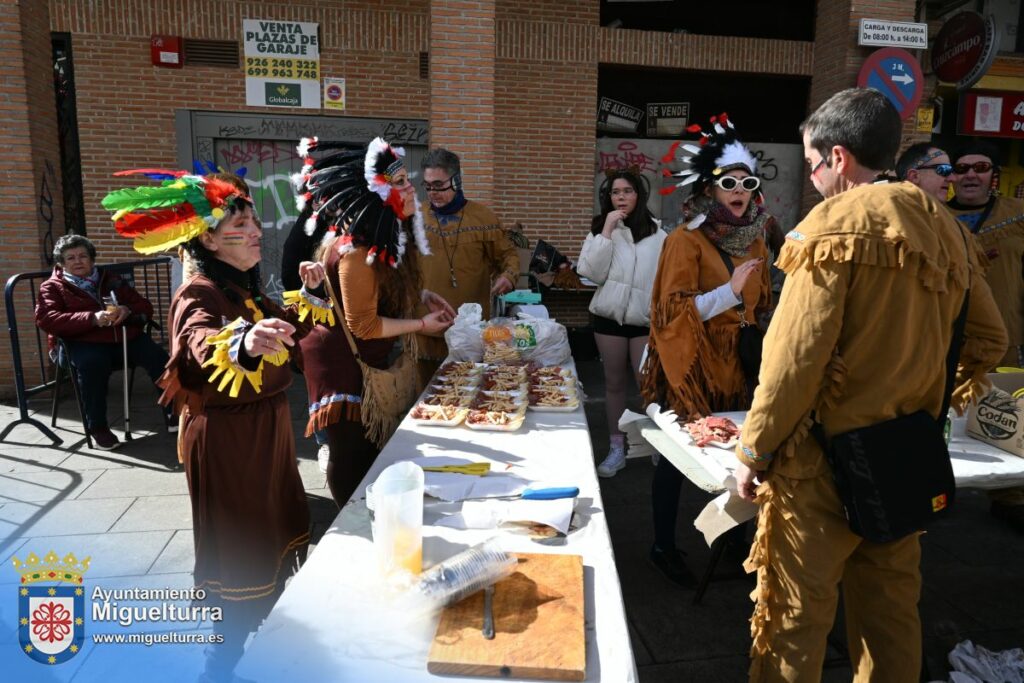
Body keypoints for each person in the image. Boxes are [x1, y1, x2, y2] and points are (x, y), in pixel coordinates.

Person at [734, 88, 1007, 681]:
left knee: (795, 621)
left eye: (812, 165)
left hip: (820, 463)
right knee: (890, 613)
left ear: (838, 157)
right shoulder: (949, 231)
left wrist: (754, 450)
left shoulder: (829, 227)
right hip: (904, 455)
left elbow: (793, 360)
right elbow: (991, 339)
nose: (812, 179)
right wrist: (928, 393)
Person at [102, 168, 325, 682]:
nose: (256, 232)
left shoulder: (243, 289)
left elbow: (291, 336)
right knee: (240, 557)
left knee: (272, 539)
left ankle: (266, 645)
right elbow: (200, 343)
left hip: (266, 435)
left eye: (255, 222)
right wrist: (244, 342)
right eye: (240, 225)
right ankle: (218, 665)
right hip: (229, 443)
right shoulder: (198, 293)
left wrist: (310, 294)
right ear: (208, 238)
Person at [642, 114, 776, 586]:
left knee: (737, 451)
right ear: (710, 188)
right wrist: (729, 293)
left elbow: (762, 303)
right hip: (692, 363)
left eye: (747, 183)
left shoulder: (756, 238)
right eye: (728, 183)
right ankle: (662, 546)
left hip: (739, 362)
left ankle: (733, 540)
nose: (739, 190)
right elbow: (669, 312)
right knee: (678, 457)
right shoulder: (685, 240)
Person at [294, 137, 455, 508]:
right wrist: (422, 325)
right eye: (399, 183)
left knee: (369, 450)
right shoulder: (356, 251)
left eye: (406, 180)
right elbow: (363, 325)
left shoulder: (381, 236)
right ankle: (350, 521)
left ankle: (371, 511)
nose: (411, 189)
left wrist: (422, 296)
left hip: (363, 355)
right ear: (376, 196)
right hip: (340, 363)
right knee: (351, 452)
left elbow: (383, 290)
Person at [946, 142, 1024, 533]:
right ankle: (936, 488)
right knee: (940, 416)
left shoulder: (1017, 214)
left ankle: (1010, 497)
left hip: (1006, 336)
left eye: (980, 167)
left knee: (1006, 415)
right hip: (945, 338)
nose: (971, 176)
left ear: (994, 175)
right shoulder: (933, 217)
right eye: (961, 169)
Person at [35, 233, 172, 450]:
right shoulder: (52, 287)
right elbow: (47, 319)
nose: (78, 261)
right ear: (61, 263)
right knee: (93, 365)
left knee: (160, 359)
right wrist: (91, 318)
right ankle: (97, 427)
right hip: (80, 342)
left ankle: (174, 412)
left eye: (83, 256)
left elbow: (145, 306)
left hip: (123, 337)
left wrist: (127, 310)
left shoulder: (111, 279)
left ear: (92, 259)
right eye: (70, 258)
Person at [577, 168, 666, 477]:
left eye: (627, 191)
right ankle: (617, 447)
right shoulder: (601, 230)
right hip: (608, 319)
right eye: (615, 192)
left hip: (644, 320)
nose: (621, 197)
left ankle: (655, 444)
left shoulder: (659, 235)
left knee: (647, 385)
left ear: (638, 195)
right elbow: (591, 273)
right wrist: (606, 230)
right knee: (614, 383)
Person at [416, 147, 520, 384]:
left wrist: (508, 276)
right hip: (423, 330)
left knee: (468, 393)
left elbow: (508, 255)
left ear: (456, 181)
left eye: (439, 185)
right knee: (424, 397)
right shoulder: (415, 217)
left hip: (469, 333)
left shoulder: (483, 218)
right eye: (428, 186)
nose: (433, 193)